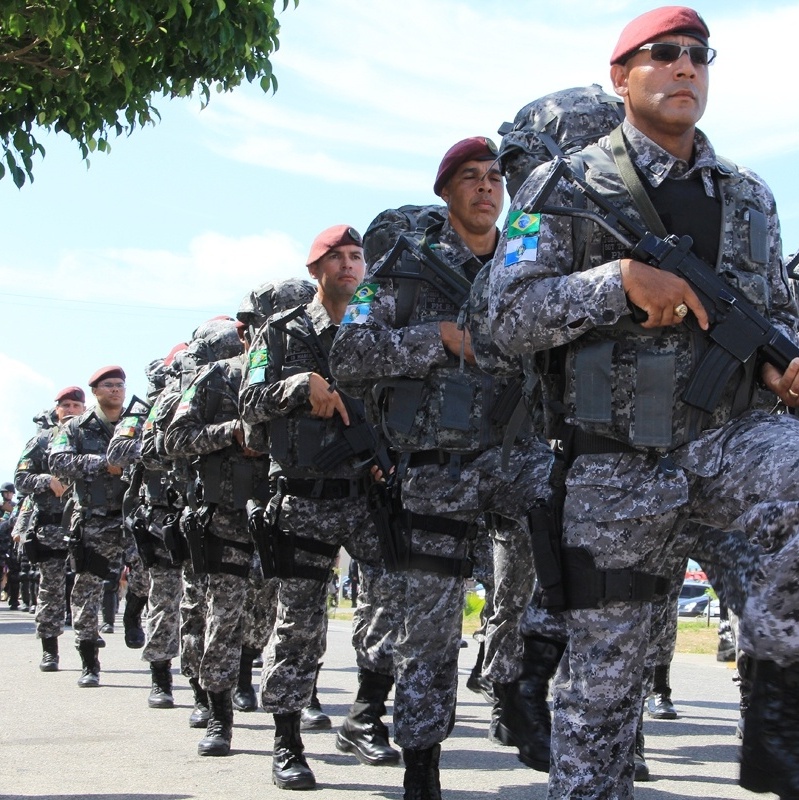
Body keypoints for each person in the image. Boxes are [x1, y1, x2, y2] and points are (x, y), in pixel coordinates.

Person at [488, 7, 799, 798]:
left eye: (699, 55)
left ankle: (775, 699)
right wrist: (615, 286)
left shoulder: (750, 195)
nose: (685, 66)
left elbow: (777, 312)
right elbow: (500, 318)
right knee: (600, 695)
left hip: (728, 442)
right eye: (662, 54)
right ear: (621, 76)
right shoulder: (560, 186)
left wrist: (782, 364)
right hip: (613, 463)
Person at [329, 140, 557, 799]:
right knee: (429, 624)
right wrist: (439, 340)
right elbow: (350, 354)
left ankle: (515, 688)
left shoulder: (529, 261)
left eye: (493, 179)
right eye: (469, 179)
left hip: (519, 456)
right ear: (446, 192)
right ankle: (421, 761)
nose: (486, 189)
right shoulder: (403, 270)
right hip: (437, 464)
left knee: (564, 558)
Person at [239, 225, 398, 790]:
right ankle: (286, 742)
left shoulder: (376, 326)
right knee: (299, 624)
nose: (351, 266)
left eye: (358, 257)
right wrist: (299, 387)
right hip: (304, 498)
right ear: (317, 270)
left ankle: (365, 716)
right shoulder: (281, 334)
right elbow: (248, 403)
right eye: (339, 258)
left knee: (392, 605)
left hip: (366, 497)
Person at [49, 366, 149, 686]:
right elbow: (58, 462)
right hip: (94, 518)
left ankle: (132, 616)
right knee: (87, 589)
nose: (116, 390)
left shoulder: (138, 422)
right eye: (109, 385)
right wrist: (103, 464)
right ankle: (89, 661)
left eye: (120, 385)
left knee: (146, 572)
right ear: (95, 391)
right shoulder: (77, 427)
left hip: (134, 515)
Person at [14, 386, 86, 671]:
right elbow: (20, 478)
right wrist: (45, 480)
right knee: (51, 590)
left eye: (75, 405)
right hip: (52, 528)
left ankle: (88, 653)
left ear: (84, 408)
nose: (70, 410)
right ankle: (50, 650)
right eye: (65, 405)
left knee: (86, 589)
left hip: (88, 527)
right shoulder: (41, 441)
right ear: (56, 410)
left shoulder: (92, 437)